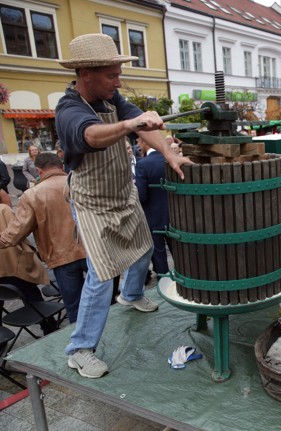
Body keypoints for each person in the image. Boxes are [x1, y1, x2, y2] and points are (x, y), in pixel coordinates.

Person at [55, 33, 191, 378]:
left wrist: (169, 153)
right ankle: (80, 349)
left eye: (118, 73)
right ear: (86, 73)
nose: (118, 81)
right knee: (101, 276)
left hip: (122, 193)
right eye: (111, 75)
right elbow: (91, 136)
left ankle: (131, 295)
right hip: (92, 203)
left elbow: (146, 128)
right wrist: (129, 125)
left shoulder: (113, 98)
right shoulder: (69, 109)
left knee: (144, 246)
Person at [0, 153, 88, 323]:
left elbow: (15, 233)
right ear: (61, 166)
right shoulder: (82, 184)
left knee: (75, 308)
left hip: (61, 257)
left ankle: (82, 344)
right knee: (103, 300)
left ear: (39, 171)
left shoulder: (32, 194)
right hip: (92, 251)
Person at [0, 204, 57, 335]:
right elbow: (19, 233)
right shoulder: (3, 209)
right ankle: (48, 326)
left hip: (5, 269)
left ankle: (2, 337)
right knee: (32, 296)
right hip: (14, 265)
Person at [135, 137, 171, 277]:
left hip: (153, 216)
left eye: (138, 140)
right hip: (175, 215)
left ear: (145, 141)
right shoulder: (169, 160)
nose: (137, 144)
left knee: (159, 252)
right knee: (177, 249)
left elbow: (141, 195)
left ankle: (163, 280)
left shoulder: (143, 164)